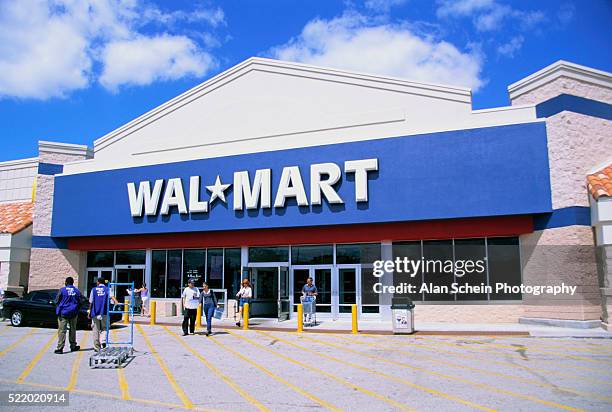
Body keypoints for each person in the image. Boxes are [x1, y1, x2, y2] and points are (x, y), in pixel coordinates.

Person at [89, 277, 119, 352]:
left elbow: (91, 302)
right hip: (105, 312)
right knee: (105, 328)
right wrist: (116, 302)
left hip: (95, 312)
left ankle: (97, 347)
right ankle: (103, 341)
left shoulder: (93, 290)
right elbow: (113, 298)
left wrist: (89, 311)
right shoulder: (107, 289)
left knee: (95, 330)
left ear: (98, 282)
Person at [54, 277, 82, 354]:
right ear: (73, 283)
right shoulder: (77, 291)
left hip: (63, 313)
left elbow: (56, 301)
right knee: (72, 330)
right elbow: (81, 301)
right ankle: (73, 346)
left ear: (66, 282)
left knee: (62, 331)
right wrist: (76, 309)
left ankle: (60, 348)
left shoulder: (62, 290)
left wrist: (58, 308)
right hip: (73, 313)